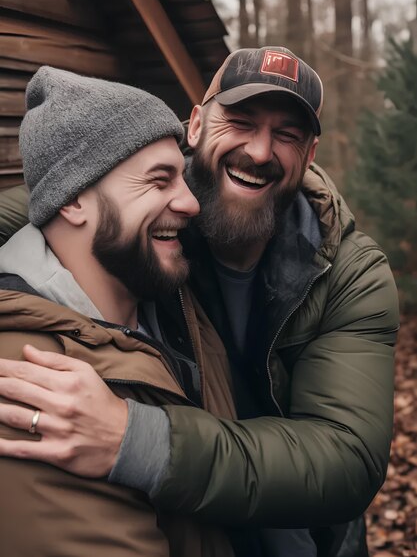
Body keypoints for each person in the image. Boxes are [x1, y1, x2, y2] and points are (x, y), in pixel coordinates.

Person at [0, 48, 399, 557]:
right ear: (196, 125)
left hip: (303, 533)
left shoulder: (349, 272)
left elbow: (345, 458)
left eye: (287, 134)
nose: (259, 151)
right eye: (240, 121)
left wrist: (138, 439)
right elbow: (53, 192)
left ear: (310, 154)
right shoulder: (146, 211)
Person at [0, 65, 238, 556]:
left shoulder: (173, 309)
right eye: (159, 180)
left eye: (183, 177)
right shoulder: (25, 378)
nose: (191, 203)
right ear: (72, 201)